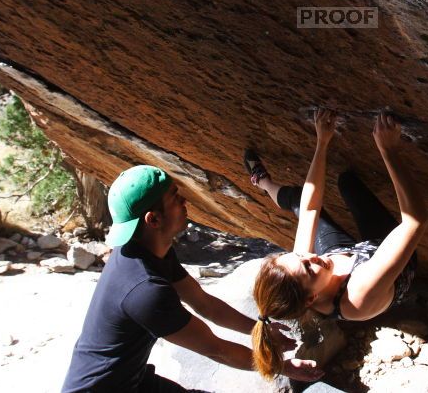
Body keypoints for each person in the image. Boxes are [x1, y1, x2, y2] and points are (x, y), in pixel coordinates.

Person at [62, 165, 322, 392]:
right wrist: (281, 366)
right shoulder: (145, 289)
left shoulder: (148, 250)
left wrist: (260, 329)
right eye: (175, 197)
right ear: (153, 219)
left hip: (131, 381)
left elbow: (204, 304)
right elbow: (215, 348)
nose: (185, 200)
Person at [247, 109, 428, 378]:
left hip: (349, 255)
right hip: (380, 255)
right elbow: (415, 222)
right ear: (311, 298)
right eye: (308, 268)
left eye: (298, 256)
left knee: (309, 195)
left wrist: (322, 141)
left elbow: (310, 208)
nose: (309, 256)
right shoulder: (359, 295)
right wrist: (389, 151)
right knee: (351, 186)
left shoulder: (302, 270)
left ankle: (263, 183)